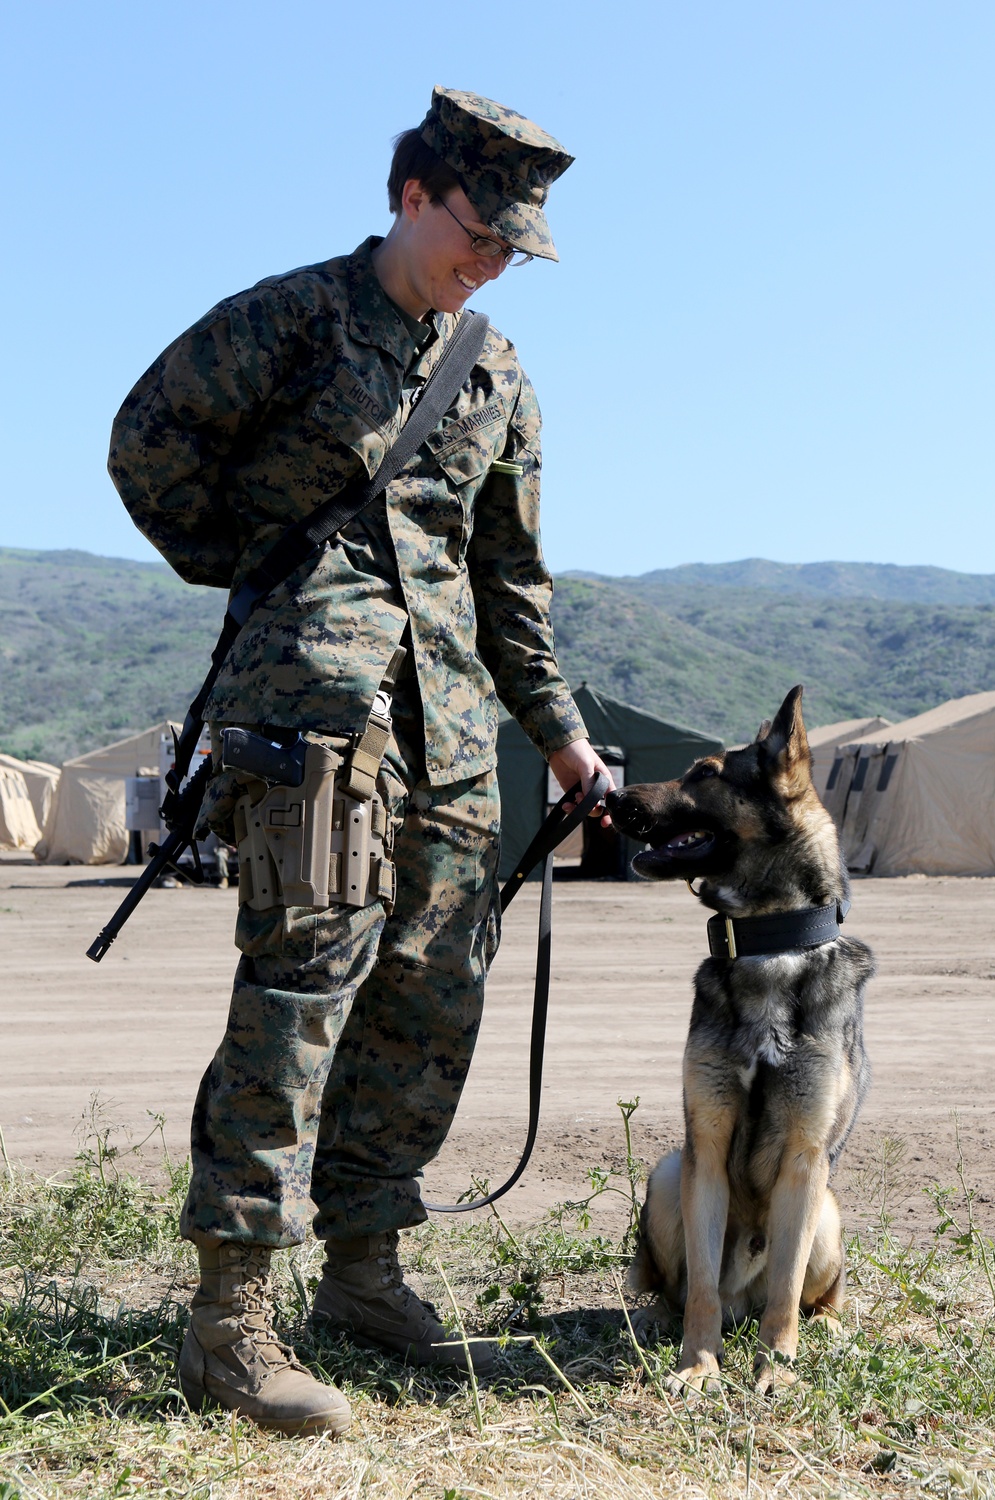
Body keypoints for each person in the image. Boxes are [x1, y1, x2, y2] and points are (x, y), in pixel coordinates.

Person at [108, 85, 614, 1438]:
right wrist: (263, 571)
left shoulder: (498, 373)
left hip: (452, 734)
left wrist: (558, 738)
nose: (492, 260)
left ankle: (367, 1275)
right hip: (313, 715)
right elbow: (146, 440)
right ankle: (232, 1320)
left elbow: (510, 581)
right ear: (411, 194)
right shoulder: (288, 317)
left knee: (430, 1002)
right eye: (479, 230)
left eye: (514, 247)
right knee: (298, 994)